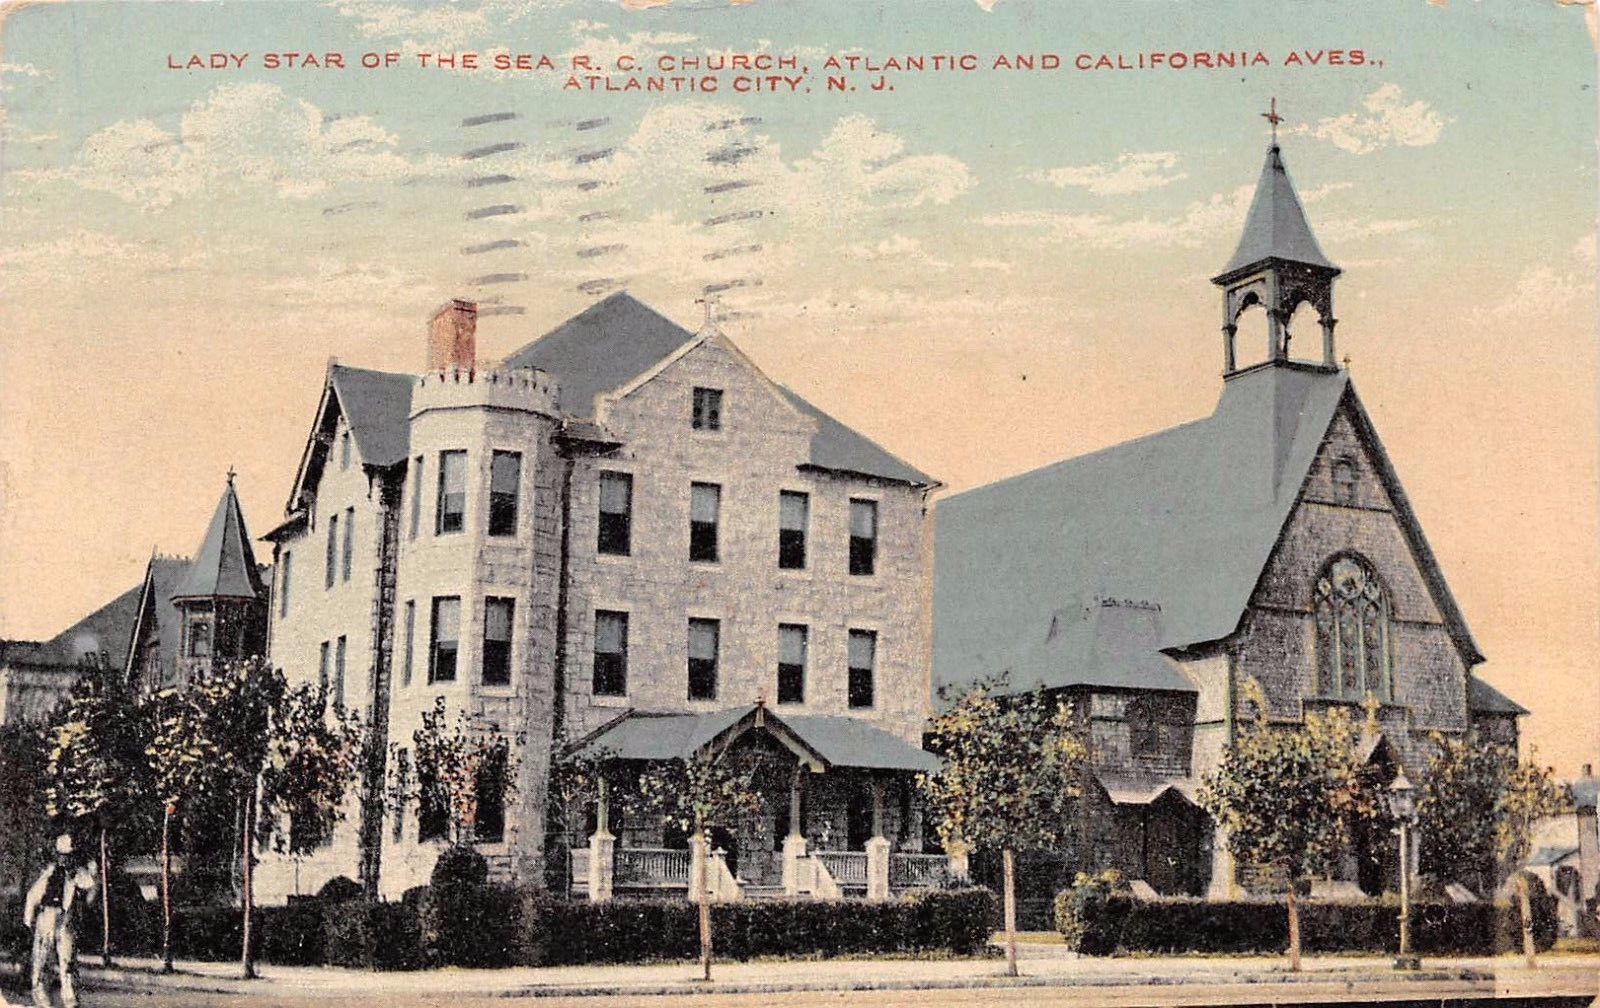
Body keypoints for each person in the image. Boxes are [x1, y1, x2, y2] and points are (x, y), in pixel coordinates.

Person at [23, 834, 97, 1008]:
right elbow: (32, 896)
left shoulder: (79, 874)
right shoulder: (50, 873)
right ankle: (42, 1000)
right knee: (42, 959)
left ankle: (71, 1001)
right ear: (58, 855)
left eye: (69, 855)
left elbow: (92, 887)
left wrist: (85, 899)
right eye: (62, 855)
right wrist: (28, 921)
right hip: (47, 918)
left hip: (66, 920)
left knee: (67, 961)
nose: (65, 859)